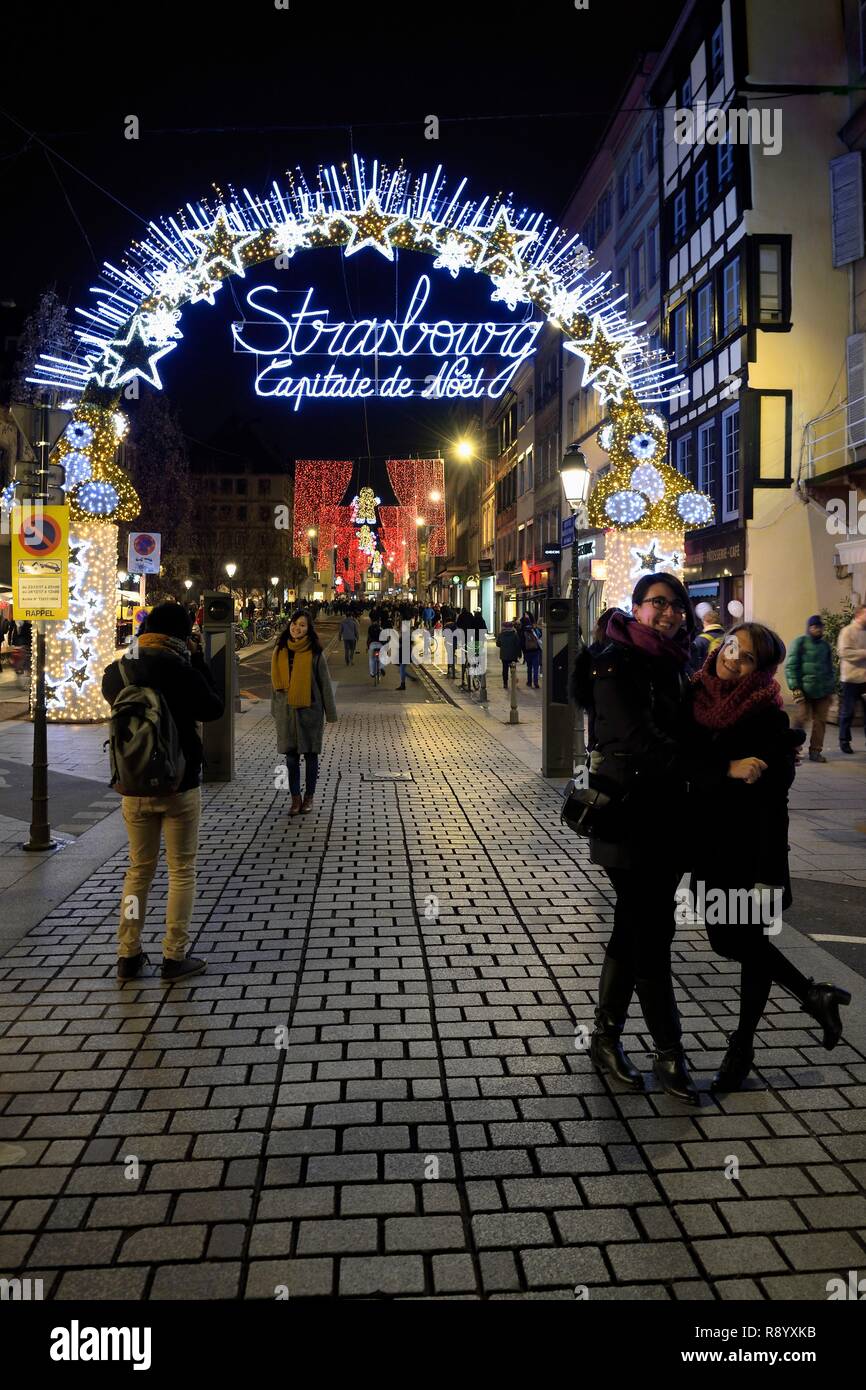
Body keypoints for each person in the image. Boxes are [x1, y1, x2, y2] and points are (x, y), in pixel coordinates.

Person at [571, 575, 763, 1105]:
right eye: (659, 603)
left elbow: (690, 728)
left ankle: (606, 1037)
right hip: (627, 818)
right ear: (636, 607)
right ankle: (668, 1050)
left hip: (666, 819)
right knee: (650, 932)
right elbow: (641, 742)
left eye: (677, 605)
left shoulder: (676, 662)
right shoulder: (614, 662)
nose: (670, 612)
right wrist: (719, 768)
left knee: (636, 928)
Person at [688, 623, 851, 1089]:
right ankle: (811, 993)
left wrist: (774, 761)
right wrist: (724, 770)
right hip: (709, 844)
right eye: (733, 648)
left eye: (748, 659)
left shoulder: (765, 716)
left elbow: (773, 791)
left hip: (749, 850)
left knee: (745, 939)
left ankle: (741, 1048)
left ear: (760, 671)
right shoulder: (695, 695)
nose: (735, 659)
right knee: (730, 942)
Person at [101, 602, 224, 983]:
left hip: (133, 784)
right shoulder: (180, 665)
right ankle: (174, 956)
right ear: (181, 633)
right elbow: (213, 708)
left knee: (138, 872)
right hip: (178, 783)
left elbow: (114, 701)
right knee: (181, 871)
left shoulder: (121, 668)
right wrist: (198, 657)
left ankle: (128, 953)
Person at [271, 610, 337, 815]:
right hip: (286, 713)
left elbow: (325, 684)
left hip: (310, 712)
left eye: (302, 625)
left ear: (308, 629)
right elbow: (274, 685)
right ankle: (295, 799)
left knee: (310, 756)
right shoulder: (279, 650)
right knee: (290, 759)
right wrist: (275, 711)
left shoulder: (315, 653)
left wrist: (330, 713)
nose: (296, 627)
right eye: (294, 623)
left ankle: (309, 796)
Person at [784, 615, 836, 762]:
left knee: (820, 722)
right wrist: (795, 688)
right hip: (803, 691)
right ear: (809, 628)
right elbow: (791, 666)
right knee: (801, 719)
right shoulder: (800, 643)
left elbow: (830, 668)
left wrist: (831, 689)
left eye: (819, 627)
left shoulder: (825, 646)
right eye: (814, 627)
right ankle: (792, 749)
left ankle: (815, 751)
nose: (817, 629)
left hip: (823, 692)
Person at [837, 604, 866, 754]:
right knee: (848, 712)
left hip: (865, 679)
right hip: (851, 679)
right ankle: (844, 740)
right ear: (859, 614)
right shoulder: (847, 631)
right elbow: (844, 652)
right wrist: (864, 653)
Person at [688, 607, 725, 673]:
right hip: (724, 676)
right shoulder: (728, 637)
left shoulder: (700, 640)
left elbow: (693, 663)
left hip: (706, 677)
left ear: (705, 622)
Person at [496, 618, 522, 691]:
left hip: (504, 655)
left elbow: (498, 644)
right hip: (513, 655)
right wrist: (519, 654)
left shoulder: (501, 634)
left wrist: (503, 645)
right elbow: (518, 645)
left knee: (505, 669)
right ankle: (514, 682)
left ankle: (505, 683)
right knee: (513, 669)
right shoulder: (514, 634)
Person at [521, 613, 542, 688]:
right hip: (536, 651)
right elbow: (539, 635)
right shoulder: (534, 629)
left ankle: (529, 682)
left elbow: (522, 643)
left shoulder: (522, 631)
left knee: (529, 667)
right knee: (536, 667)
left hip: (527, 652)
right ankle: (536, 682)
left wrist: (523, 651)